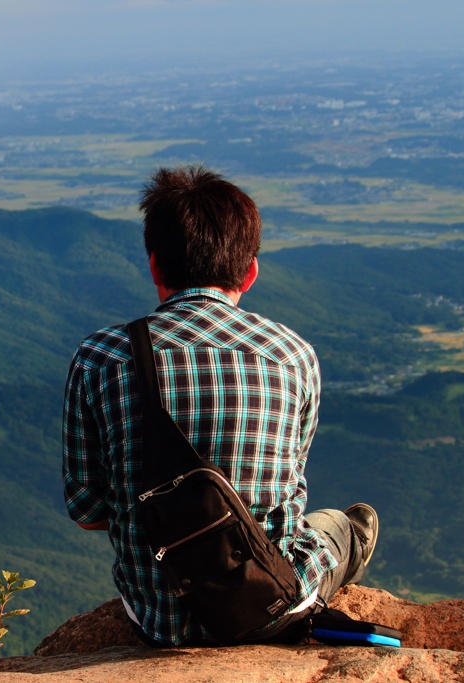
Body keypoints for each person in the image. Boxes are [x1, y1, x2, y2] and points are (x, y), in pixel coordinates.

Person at [62, 166, 379, 646]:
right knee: (337, 525)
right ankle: (348, 541)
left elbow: (87, 510)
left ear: (154, 265)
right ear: (250, 271)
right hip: (268, 607)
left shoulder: (99, 359)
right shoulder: (293, 355)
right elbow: (287, 493)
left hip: (157, 619)